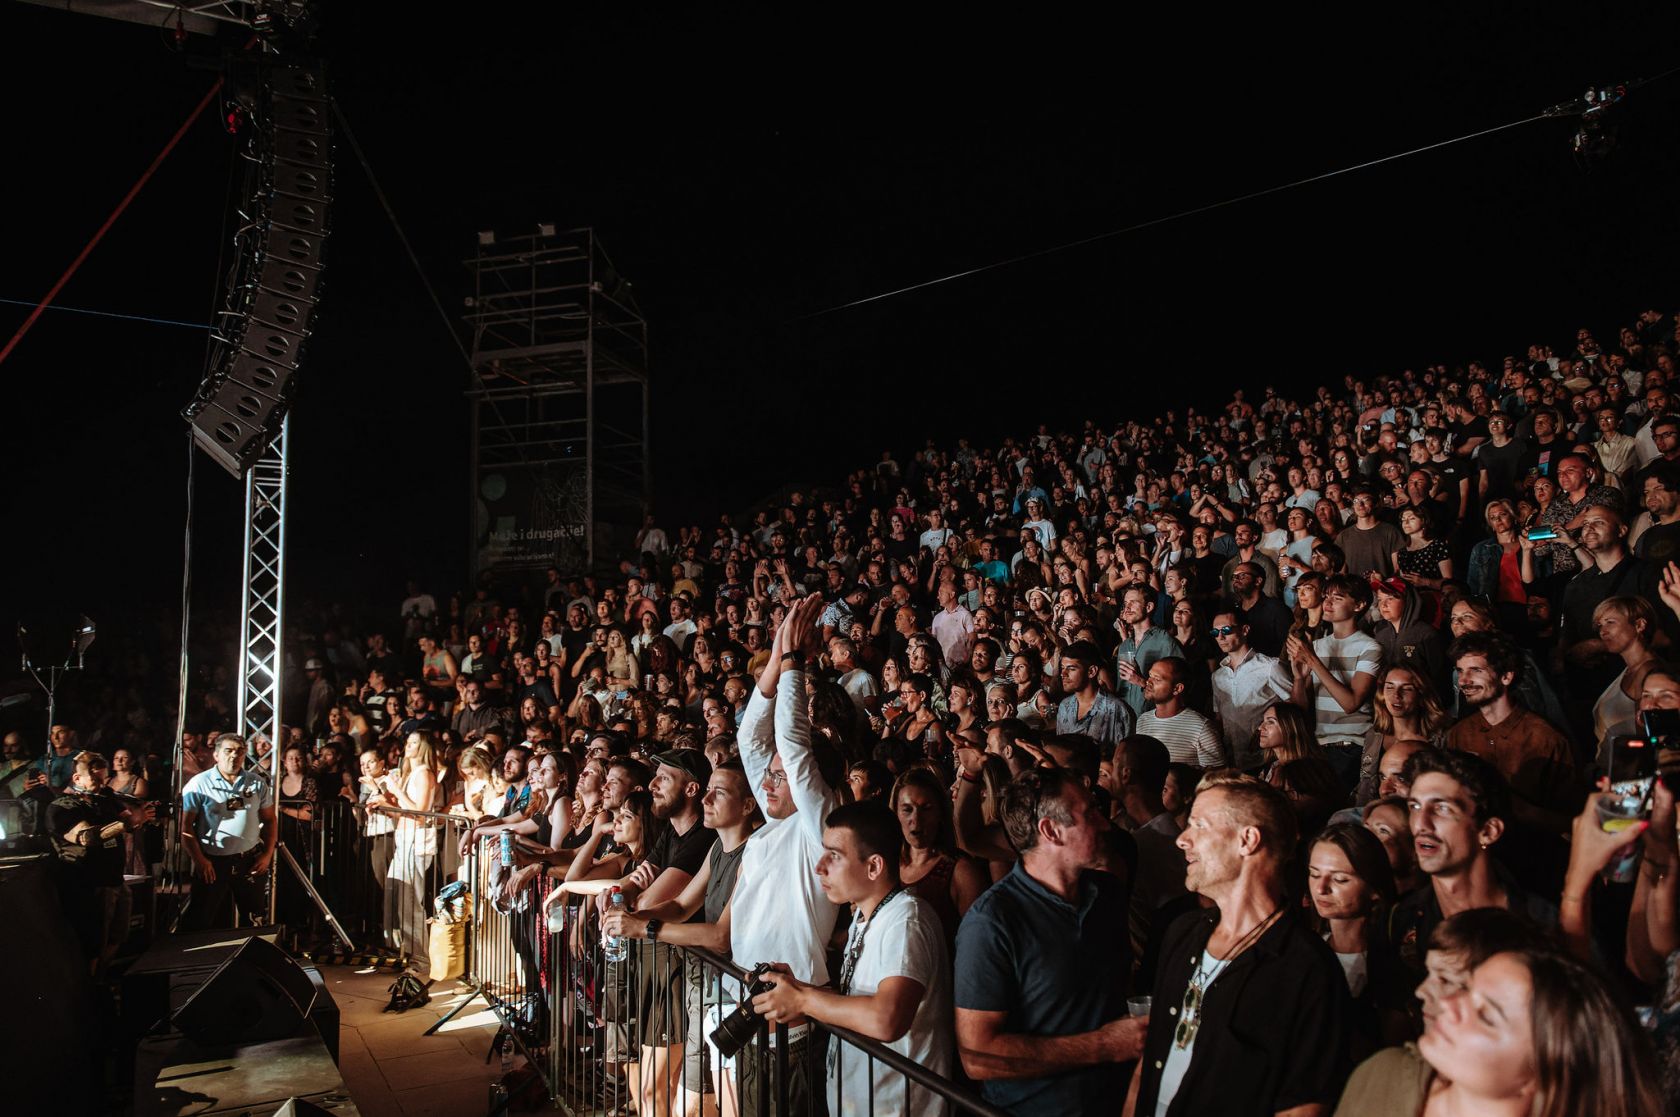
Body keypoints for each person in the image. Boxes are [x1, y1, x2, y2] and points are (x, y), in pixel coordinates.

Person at [1129, 772, 1350, 1117]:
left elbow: (1303, 1106)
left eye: (1199, 826)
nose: (1182, 840)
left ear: (1247, 840)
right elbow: (1149, 1062)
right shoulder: (1183, 932)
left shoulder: (1305, 968)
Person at [955, 767, 1144, 1115]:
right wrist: (1103, 1046)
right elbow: (978, 1056)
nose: (1105, 824)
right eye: (1090, 813)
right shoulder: (991, 922)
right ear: (1051, 830)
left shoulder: (1107, 894)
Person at [751, 800, 954, 1117]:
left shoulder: (906, 921)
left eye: (834, 855)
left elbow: (886, 1019)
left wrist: (803, 1002)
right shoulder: (866, 914)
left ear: (873, 866)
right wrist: (799, 988)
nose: (819, 867)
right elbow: (860, 1002)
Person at [1335, 945, 1662, 1117]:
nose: (1449, 1004)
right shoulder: (1382, 1075)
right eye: (1466, 990)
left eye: (1487, 1016)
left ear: (1543, 1076)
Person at [1386, 749, 1561, 984]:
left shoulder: (1540, 923)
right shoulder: (1401, 920)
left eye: (1442, 808)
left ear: (1488, 832)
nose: (1421, 823)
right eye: (1415, 807)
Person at [1444, 633, 1577, 831]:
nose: (1463, 681)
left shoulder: (1546, 739)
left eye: (1475, 670)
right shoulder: (1459, 734)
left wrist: (1521, 810)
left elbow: (1573, 821)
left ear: (1506, 676)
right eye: (1460, 671)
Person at [47, 751, 154, 976]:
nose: (100, 785)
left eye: (103, 779)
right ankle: (88, 987)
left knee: (118, 936)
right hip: (89, 883)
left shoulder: (105, 800)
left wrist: (141, 818)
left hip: (115, 879)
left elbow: (127, 818)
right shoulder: (62, 806)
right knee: (93, 941)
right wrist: (126, 823)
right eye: (95, 780)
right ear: (77, 779)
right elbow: (87, 837)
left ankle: (100, 979)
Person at [1287, 574, 1383, 788]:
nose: (1327, 603)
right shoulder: (1319, 646)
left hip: (1351, 745)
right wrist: (1299, 680)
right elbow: (1300, 707)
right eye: (1326, 596)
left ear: (1359, 605)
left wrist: (1313, 661)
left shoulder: (1370, 647)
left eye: (1337, 598)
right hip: (1321, 744)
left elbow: (1351, 703)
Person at [180, 733, 277, 931]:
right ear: (216, 755)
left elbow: (270, 820)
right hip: (213, 862)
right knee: (201, 918)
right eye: (229, 751)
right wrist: (199, 860)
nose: (234, 756)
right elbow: (186, 828)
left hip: (248, 860)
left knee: (254, 917)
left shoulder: (257, 783)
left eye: (240, 751)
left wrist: (267, 855)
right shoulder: (199, 784)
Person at [889, 766, 987, 948]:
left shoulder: (960, 871)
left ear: (940, 813)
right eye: (907, 809)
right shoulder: (887, 865)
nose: (916, 820)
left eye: (926, 809)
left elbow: (977, 944)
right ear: (895, 813)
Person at [1210, 607, 1295, 772]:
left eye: (1226, 630)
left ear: (1245, 630)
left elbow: (1294, 709)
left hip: (1266, 760)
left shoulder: (1270, 667)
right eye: (1215, 632)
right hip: (1232, 761)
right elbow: (1219, 718)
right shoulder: (1217, 676)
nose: (1220, 637)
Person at [1135, 657, 1225, 767]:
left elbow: (1215, 777)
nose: (1148, 681)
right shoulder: (1143, 720)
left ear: (1177, 688)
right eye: (1150, 675)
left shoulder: (1201, 728)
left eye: (1157, 679)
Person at [1055, 639, 1135, 746]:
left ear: (1091, 671)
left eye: (1071, 669)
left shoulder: (1116, 709)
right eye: (1062, 668)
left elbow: (1125, 756)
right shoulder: (1064, 706)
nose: (1063, 674)